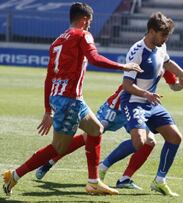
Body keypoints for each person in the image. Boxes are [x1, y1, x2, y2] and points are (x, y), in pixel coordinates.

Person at [2, 2, 142, 196]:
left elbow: (49, 77)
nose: (90, 26)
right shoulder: (83, 34)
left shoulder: (57, 41)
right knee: (58, 147)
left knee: (96, 129)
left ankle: (93, 182)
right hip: (69, 99)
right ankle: (15, 175)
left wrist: (47, 108)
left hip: (65, 98)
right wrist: (124, 67)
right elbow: (94, 59)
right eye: (89, 22)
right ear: (84, 20)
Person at [34, 70, 183, 191]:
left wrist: (182, 83)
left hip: (140, 109)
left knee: (149, 141)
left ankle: (125, 179)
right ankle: (50, 161)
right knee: (89, 136)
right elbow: (127, 84)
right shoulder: (143, 54)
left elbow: (174, 85)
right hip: (117, 107)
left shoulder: (162, 58)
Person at [118, 12, 183, 197]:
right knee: (138, 142)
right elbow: (126, 85)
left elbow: (169, 64)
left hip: (151, 103)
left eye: (167, 35)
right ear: (151, 31)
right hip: (134, 101)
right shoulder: (137, 52)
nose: (165, 39)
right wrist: (146, 94)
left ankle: (159, 181)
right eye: (163, 35)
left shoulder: (161, 47)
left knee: (175, 137)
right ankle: (102, 168)